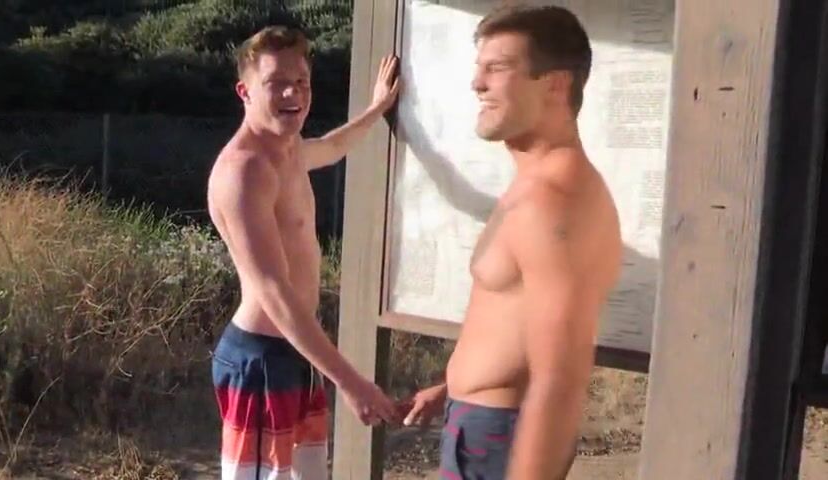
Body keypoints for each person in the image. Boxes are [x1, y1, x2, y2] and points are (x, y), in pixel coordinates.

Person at [398, 6, 622, 480]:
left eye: (497, 68)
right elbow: (517, 321)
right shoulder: (536, 185)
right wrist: (453, 385)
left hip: (500, 438)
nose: (476, 84)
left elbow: (560, 381)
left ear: (555, 84)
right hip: (481, 424)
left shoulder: (552, 203)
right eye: (478, 68)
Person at [206, 26, 400, 480]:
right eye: (276, 83)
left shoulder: (287, 150)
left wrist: (377, 108)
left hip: (296, 351)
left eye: (301, 81)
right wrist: (350, 382)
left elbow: (332, 147)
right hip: (261, 360)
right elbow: (273, 291)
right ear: (245, 92)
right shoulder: (245, 171)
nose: (293, 93)